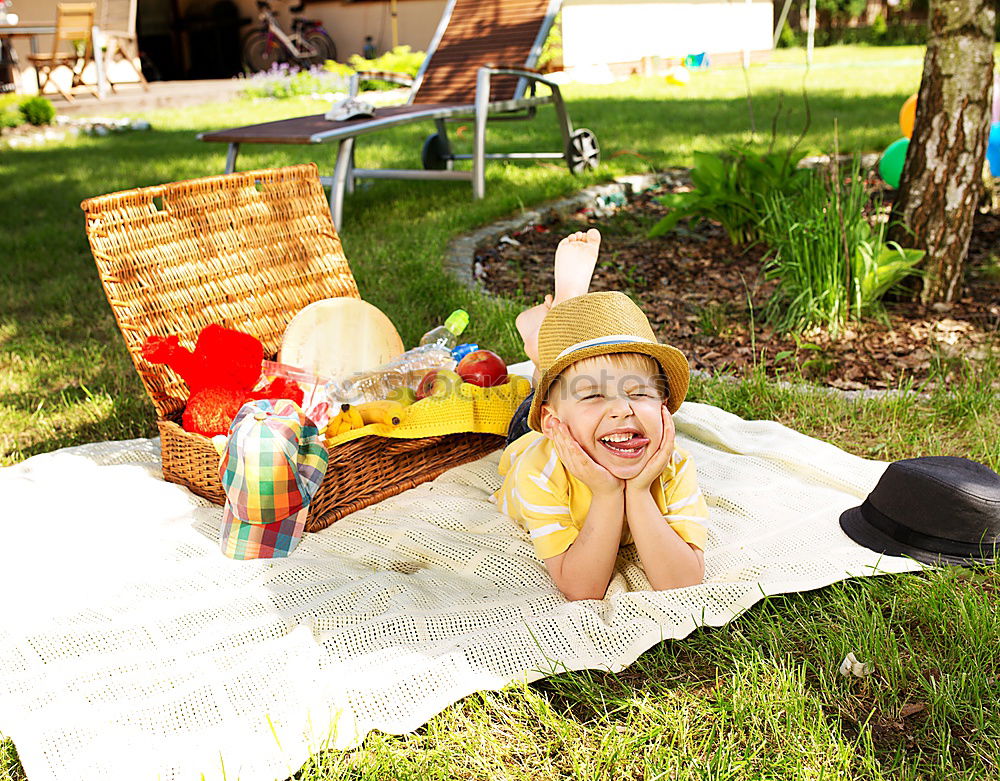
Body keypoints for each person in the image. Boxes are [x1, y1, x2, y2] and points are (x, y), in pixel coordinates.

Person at [493, 229, 708, 601]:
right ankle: (552, 333)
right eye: (594, 395)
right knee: (534, 400)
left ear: (663, 406)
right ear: (554, 425)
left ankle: (555, 336)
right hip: (531, 435)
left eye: (639, 393)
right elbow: (582, 588)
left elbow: (683, 583)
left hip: (573, 420)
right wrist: (608, 494)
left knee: (560, 383)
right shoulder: (539, 473)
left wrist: (638, 490)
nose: (622, 410)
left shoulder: (674, 467)